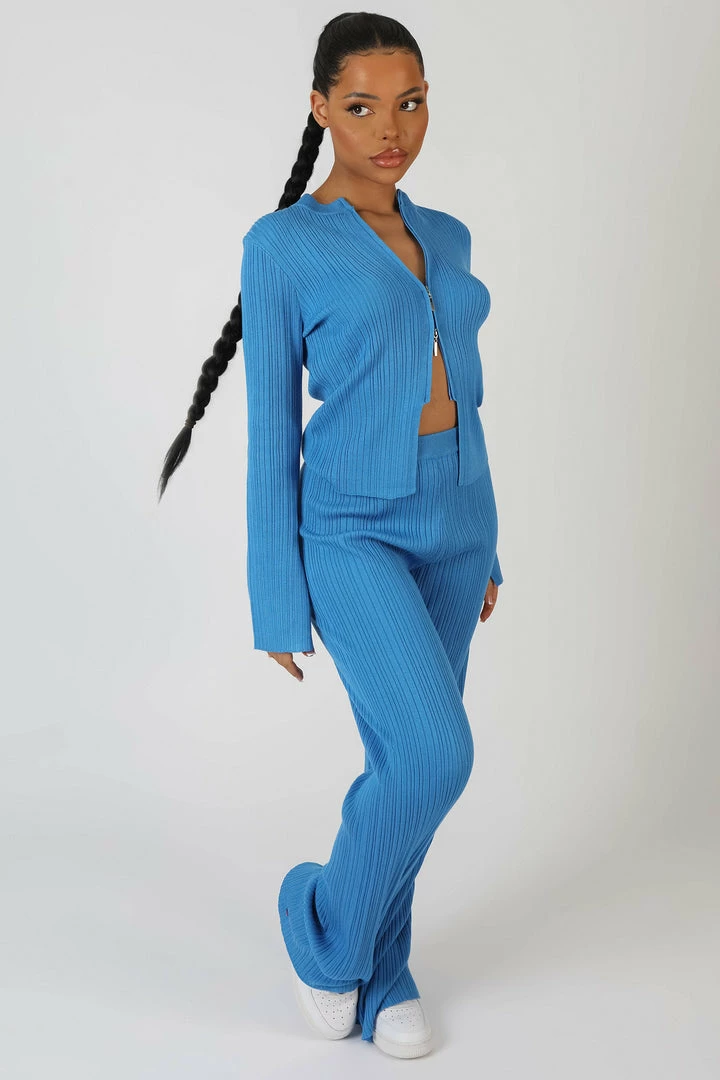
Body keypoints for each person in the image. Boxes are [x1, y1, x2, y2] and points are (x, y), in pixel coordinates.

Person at [157, 11, 504, 1061]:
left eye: (410, 103)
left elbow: (468, 399)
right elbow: (271, 431)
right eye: (361, 106)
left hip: (459, 523)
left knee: (405, 764)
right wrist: (277, 595)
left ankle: (385, 967)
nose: (389, 130)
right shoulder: (283, 247)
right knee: (437, 753)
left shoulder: (448, 236)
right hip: (352, 531)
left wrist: (489, 547)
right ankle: (320, 926)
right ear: (320, 109)